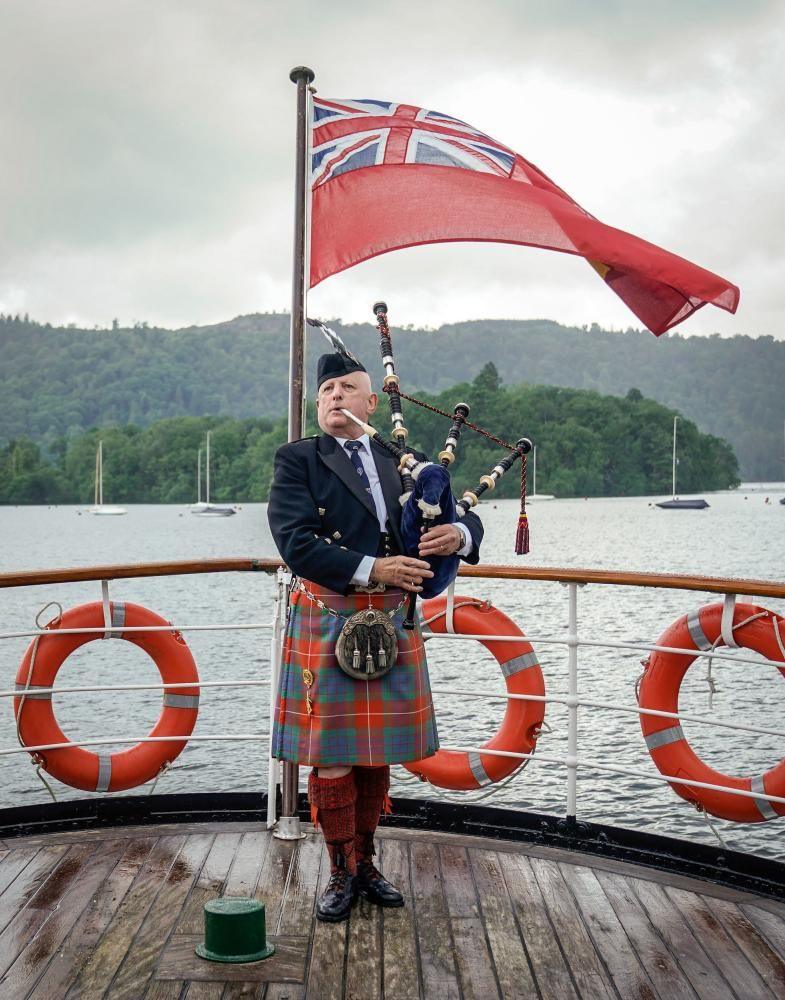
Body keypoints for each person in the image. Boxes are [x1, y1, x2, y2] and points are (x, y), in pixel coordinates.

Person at [267, 349, 483, 922]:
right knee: (334, 757)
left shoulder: (401, 461)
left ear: (371, 402)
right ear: (319, 405)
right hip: (330, 613)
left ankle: (367, 862)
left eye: (347, 388)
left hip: (393, 620)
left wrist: (457, 534)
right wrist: (375, 567)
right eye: (327, 390)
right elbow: (295, 543)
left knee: (374, 756)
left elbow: (457, 510)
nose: (336, 396)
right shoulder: (298, 460)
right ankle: (339, 870)